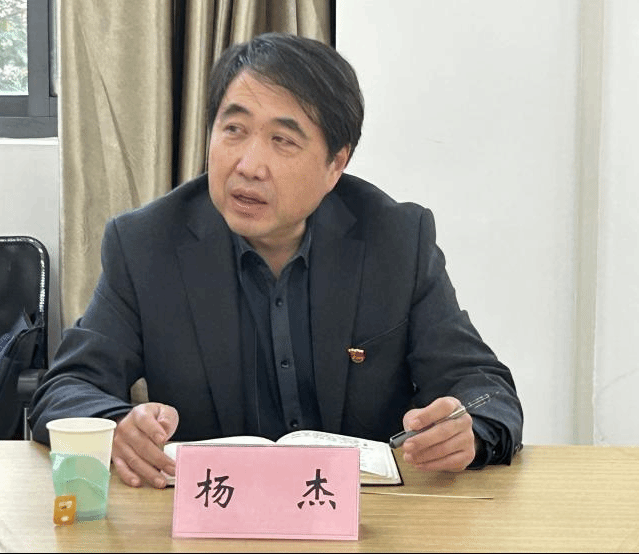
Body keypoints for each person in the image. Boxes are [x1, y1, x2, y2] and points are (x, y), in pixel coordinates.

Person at [29, 32, 523, 489]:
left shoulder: (395, 240)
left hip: (363, 520)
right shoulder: (147, 244)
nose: (248, 165)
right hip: (211, 517)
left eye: (282, 140)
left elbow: (484, 387)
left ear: (336, 164)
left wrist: (469, 430)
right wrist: (116, 425)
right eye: (234, 129)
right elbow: (67, 386)